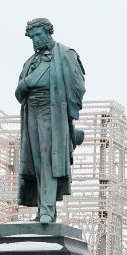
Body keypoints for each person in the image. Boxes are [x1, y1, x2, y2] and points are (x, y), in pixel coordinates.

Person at [16, 18, 86, 224]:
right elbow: (19, 91)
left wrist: (69, 117)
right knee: (36, 161)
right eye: (32, 37)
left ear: (48, 33)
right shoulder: (30, 62)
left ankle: (47, 209)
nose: (35, 40)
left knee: (48, 159)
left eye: (39, 35)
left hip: (52, 111)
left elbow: (78, 86)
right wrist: (27, 83)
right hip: (31, 112)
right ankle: (43, 210)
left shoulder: (65, 54)